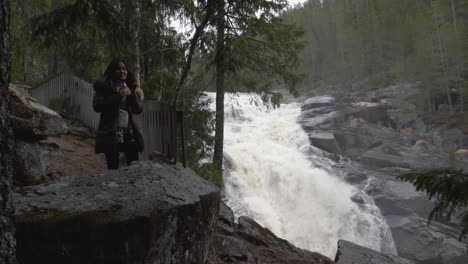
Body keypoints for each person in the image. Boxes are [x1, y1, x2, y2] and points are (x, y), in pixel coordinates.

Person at [93, 59, 145, 170]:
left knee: (134, 166)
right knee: (113, 168)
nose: (122, 71)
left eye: (124, 69)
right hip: (111, 132)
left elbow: (138, 110)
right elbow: (97, 106)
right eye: (118, 69)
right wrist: (117, 96)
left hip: (128, 132)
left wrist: (131, 96)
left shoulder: (131, 87)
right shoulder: (103, 87)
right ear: (112, 71)